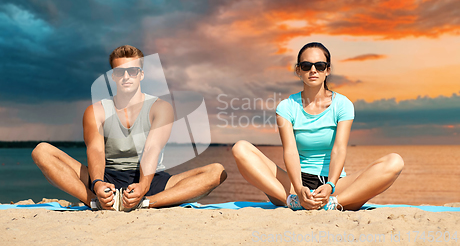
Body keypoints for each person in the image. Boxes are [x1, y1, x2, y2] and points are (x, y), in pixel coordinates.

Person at [32, 45, 227, 210]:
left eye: (132, 71)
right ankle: (93, 202)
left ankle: (146, 203)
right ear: (113, 77)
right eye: (119, 72)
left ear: (141, 74)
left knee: (216, 172)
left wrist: (143, 186)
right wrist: (97, 183)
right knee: (42, 151)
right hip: (107, 177)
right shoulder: (96, 110)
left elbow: (152, 148)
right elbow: (96, 149)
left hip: (150, 178)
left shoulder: (160, 107)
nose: (126, 76)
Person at [232, 42, 404, 210]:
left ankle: (333, 203)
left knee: (395, 162)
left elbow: (339, 149)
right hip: (294, 185)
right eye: (306, 66)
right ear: (298, 71)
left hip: (334, 186)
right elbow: (290, 151)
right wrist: (299, 190)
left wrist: (330, 186)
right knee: (240, 148)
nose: (313, 70)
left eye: (319, 65)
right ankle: (291, 201)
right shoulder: (286, 106)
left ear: (327, 70)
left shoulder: (342, 104)